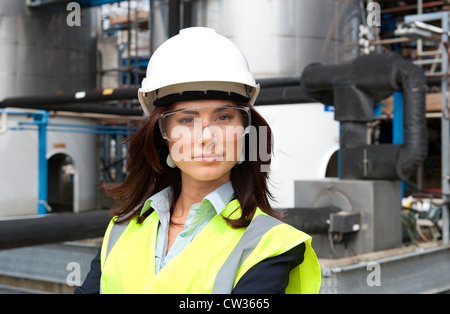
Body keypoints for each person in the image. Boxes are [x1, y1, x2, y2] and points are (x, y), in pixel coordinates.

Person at [75, 27, 321, 294]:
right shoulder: (121, 229)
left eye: (224, 117)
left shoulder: (270, 245)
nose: (207, 137)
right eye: (187, 120)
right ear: (163, 134)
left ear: (245, 131)